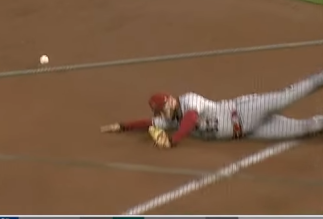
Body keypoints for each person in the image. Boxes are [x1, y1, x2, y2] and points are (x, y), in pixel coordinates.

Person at [100, 70, 323, 149]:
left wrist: (173, 140)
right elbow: (148, 123)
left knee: (290, 94)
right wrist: (121, 126)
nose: (162, 115)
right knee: (306, 128)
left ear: (170, 102)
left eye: (162, 110)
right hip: (249, 131)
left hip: (247, 111)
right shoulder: (170, 120)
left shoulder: (189, 101)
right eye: (160, 113)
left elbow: (190, 119)